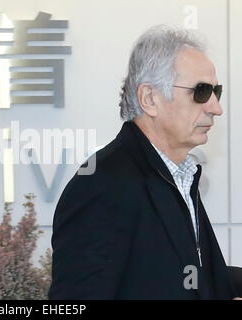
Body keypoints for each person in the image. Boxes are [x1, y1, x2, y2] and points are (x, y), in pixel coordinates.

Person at [49, 25, 242, 300]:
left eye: (216, 92)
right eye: (201, 92)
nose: (216, 107)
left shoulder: (176, 175)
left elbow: (189, 275)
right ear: (150, 99)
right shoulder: (100, 188)